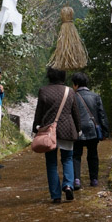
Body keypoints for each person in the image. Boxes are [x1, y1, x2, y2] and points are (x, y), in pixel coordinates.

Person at [33, 67, 81, 203]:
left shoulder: (43, 91)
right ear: (63, 76)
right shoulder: (69, 91)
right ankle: (68, 185)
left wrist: (35, 128)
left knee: (51, 163)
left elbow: (39, 112)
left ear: (49, 76)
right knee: (67, 159)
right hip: (67, 130)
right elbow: (75, 113)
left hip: (49, 132)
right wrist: (78, 129)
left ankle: (56, 195)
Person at [71, 72, 110, 189]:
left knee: (76, 155)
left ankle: (77, 180)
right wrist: (105, 132)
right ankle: (94, 180)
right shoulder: (95, 96)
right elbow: (102, 115)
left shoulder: (72, 97)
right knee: (93, 154)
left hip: (77, 130)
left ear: (76, 84)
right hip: (92, 129)